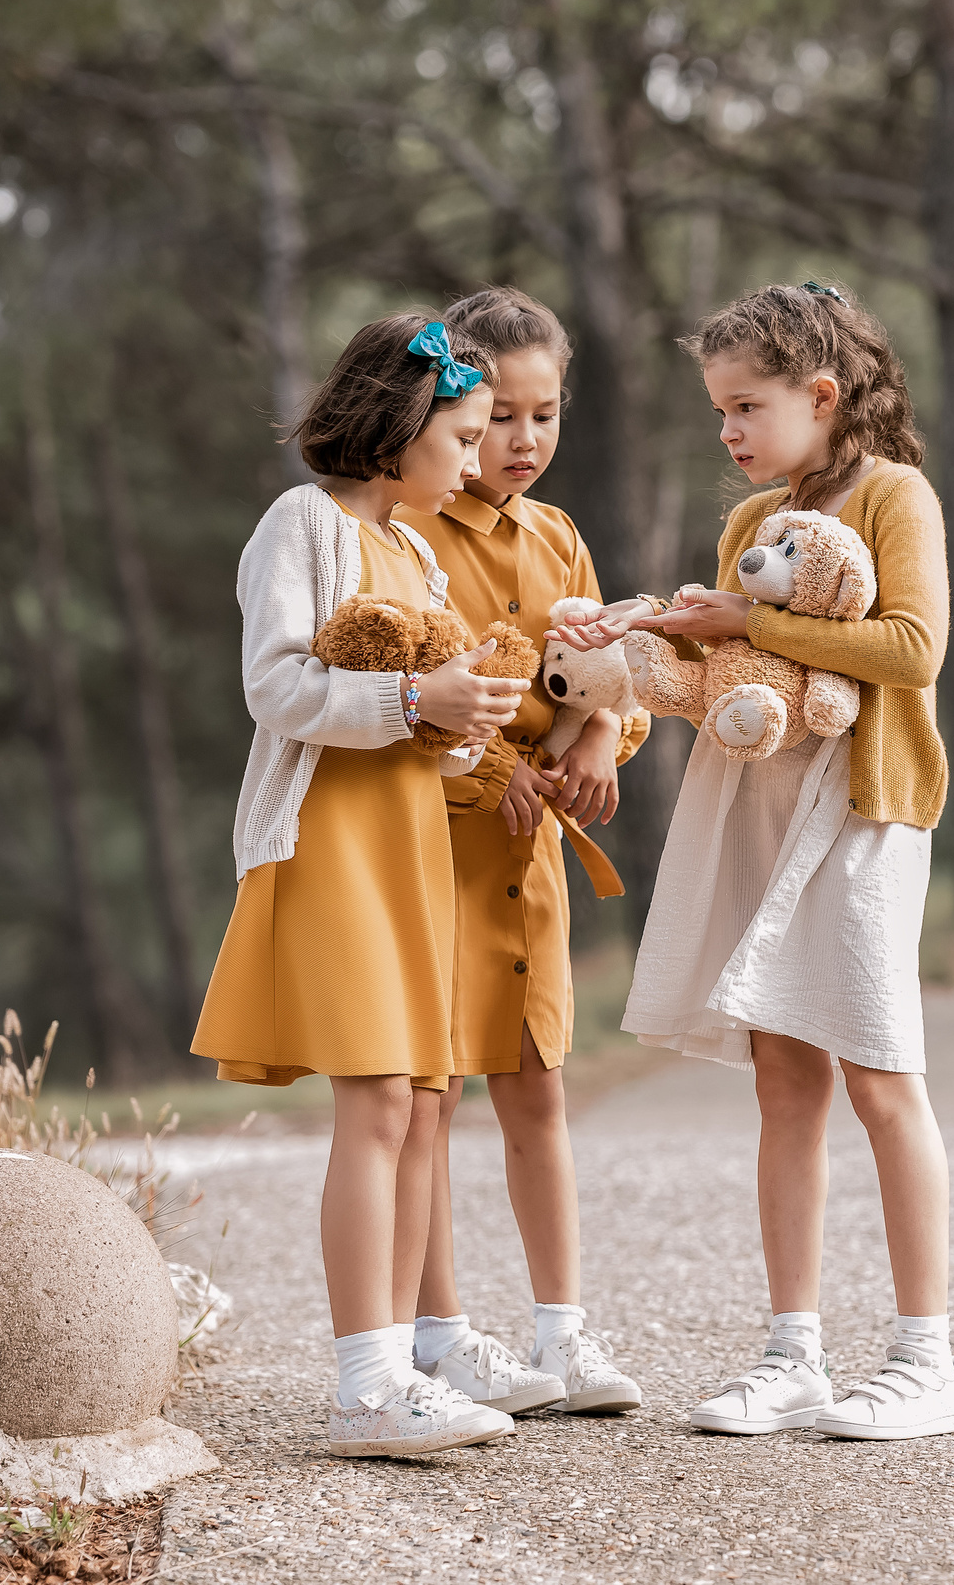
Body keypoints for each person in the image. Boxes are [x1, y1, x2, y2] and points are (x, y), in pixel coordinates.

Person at [549, 280, 954, 1441]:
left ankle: (928, 1362)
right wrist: (634, 640)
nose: (727, 432)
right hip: (762, 809)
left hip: (862, 813)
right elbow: (734, 682)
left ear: (821, 395)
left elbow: (910, 647)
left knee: (882, 1076)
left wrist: (740, 622)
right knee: (786, 1085)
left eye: (745, 407)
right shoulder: (752, 527)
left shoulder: (896, 497)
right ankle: (793, 1357)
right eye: (718, 412)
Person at [191, 313, 531, 1459]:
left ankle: (396, 1371)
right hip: (334, 844)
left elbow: (421, 722)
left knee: (426, 1103)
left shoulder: (420, 551)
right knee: (380, 1099)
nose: (479, 460)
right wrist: (408, 708)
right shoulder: (304, 525)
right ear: (398, 427)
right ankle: (363, 1386)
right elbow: (277, 689)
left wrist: (461, 718)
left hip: (407, 846)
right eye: (466, 435)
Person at [400, 286, 649, 1417]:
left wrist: (601, 735)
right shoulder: (409, 531)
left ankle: (564, 1337)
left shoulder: (559, 538)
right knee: (429, 1096)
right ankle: (439, 1336)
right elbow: (409, 685)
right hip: (436, 855)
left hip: (530, 870)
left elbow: (612, 673)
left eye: (544, 415)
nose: (525, 440)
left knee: (537, 1092)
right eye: (499, 416)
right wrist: (496, 763)